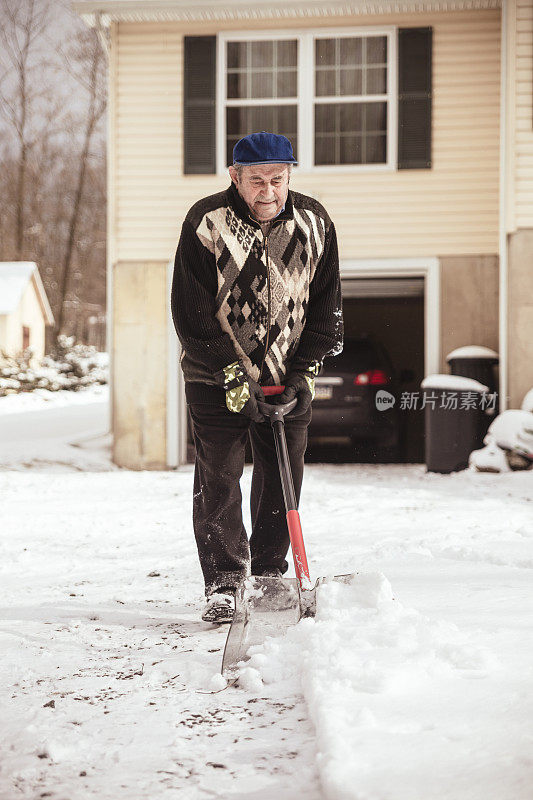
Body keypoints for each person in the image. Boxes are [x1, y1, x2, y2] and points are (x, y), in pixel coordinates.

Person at [171, 131, 343, 623]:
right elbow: (191, 310)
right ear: (235, 177)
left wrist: (305, 371)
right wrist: (231, 372)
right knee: (219, 474)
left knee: (282, 475)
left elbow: (327, 306)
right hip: (214, 375)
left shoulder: (315, 221)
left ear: (290, 176)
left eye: (278, 179)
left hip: (287, 376)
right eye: (256, 180)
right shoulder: (207, 221)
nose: (267, 191)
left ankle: (268, 572)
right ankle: (224, 583)